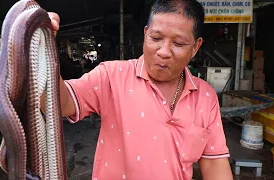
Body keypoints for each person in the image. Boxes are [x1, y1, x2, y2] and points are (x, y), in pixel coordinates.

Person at [42, 0, 233, 179]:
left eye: (179, 44)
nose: (164, 51)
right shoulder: (111, 76)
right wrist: (41, 51)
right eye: (156, 38)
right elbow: (61, 103)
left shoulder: (205, 96)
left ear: (195, 47)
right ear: (145, 34)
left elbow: (215, 164)